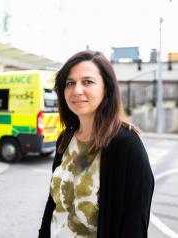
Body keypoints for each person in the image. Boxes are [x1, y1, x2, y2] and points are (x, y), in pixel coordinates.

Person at [38, 50, 154, 238]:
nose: (76, 90)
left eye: (88, 82)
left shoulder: (127, 145)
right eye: (70, 83)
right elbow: (53, 203)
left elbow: (134, 224)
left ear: (106, 88)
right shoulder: (65, 138)